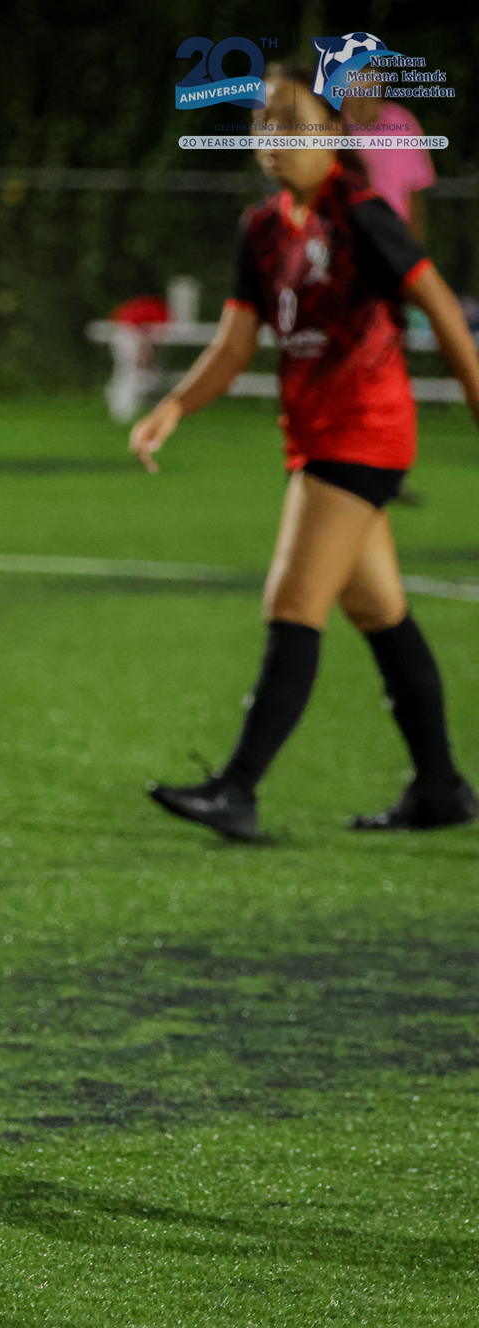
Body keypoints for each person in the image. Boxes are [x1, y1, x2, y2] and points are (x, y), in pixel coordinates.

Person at [131, 67, 479, 838]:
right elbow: (234, 344)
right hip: (316, 436)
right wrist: (174, 406)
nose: (272, 138)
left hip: (365, 432)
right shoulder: (261, 229)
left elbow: (442, 309)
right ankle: (441, 787)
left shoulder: (360, 214)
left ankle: (238, 787)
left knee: (293, 602)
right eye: (261, 123)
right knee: (378, 609)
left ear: (331, 134)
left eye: (291, 121)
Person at [339, 66, 435, 242]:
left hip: (395, 231)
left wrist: (415, 248)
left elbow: (415, 190)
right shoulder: (335, 128)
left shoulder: (402, 121)